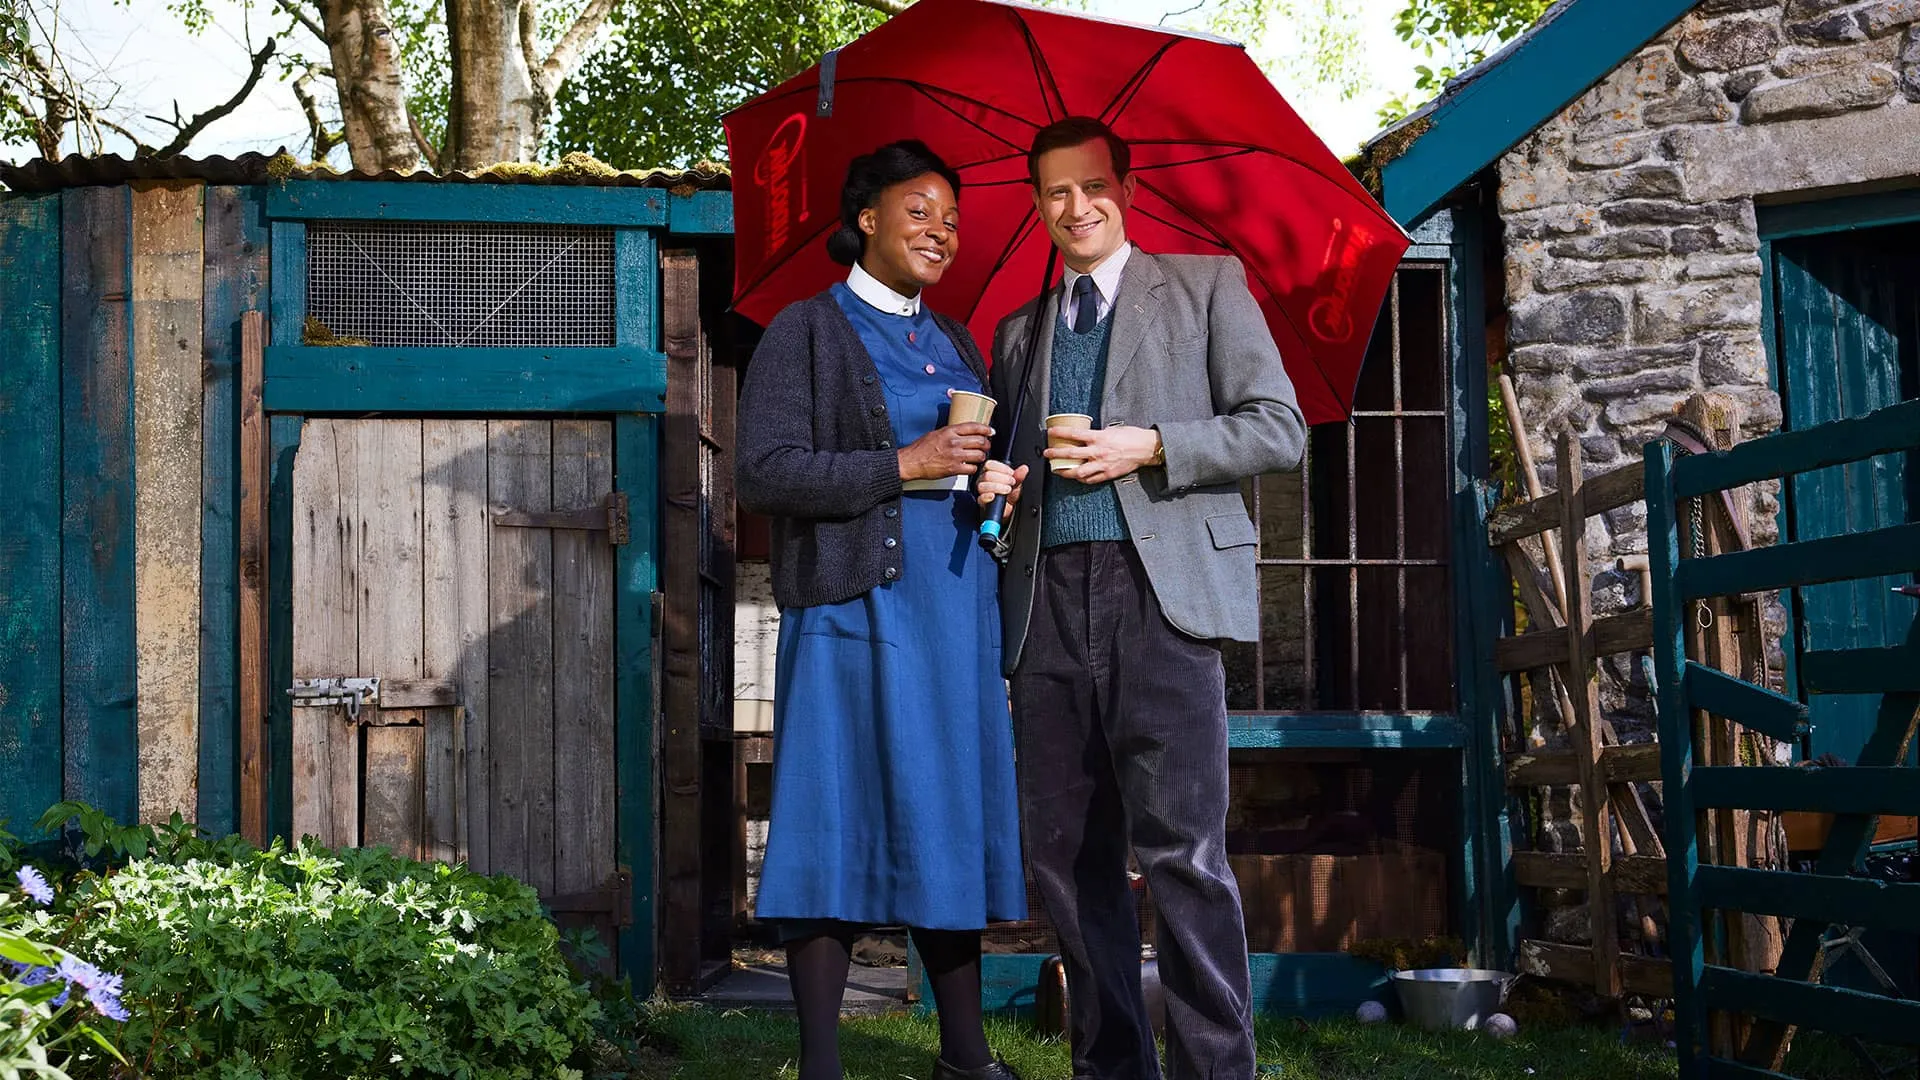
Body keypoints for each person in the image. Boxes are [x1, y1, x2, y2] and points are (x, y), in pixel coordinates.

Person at [976, 116, 1307, 1080]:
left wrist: (1153, 444)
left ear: (1127, 188)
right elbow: (1017, 482)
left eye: (1093, 186)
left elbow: (1279, 429)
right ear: (1038, 205)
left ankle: (1217, 1069)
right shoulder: (1018, 333)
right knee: (1067, 860)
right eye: (1055, 192)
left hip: (1162, 599)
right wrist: (1000, 488)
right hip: (1045, 606)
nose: (1076, 207)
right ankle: (1113, 1066)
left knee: (1184, 855)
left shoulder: (1207, 287)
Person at [736, 139, 1027, 1080]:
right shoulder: (805, 332)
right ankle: (822, 1063)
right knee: (832, 814)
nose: (941, 230)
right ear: (867, 218)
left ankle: (965, 1056)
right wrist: (905, 464)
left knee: (947, 815)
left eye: (952, 219)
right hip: (851, 610)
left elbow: (958, 475)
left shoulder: (957, 343)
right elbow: (763, 473)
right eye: (919, 211)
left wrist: (990, 486)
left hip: (953, 611)